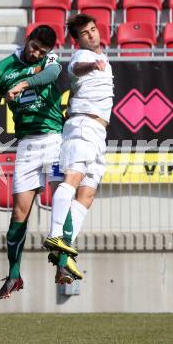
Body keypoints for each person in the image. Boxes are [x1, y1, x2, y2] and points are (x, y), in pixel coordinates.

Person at [0, 25, 84, 300]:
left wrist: (24, 83)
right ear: (27, 40)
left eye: (42, 50)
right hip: (25, 145)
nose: (36, 53)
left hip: (53, 139)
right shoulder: (3, 68)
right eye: (34, 47)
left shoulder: (49, 61)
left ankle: (64, 265)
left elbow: (51, 74)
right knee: (19, 212)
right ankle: (14, 275)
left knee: (62, 196)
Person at [44, 14, 114, 259]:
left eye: (93, 29)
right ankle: (54, 233)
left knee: (88, 193)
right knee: (73, 180)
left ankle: (65, 243)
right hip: (84, 126)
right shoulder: (83, 57)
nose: (92, 34)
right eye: (85, 33)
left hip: (97, 132)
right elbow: (76, 69)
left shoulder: (103, 58)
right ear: (77, 40)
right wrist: (93, 66)